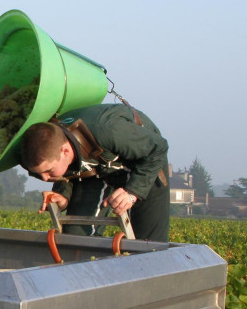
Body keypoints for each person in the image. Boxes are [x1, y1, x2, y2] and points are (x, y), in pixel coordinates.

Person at [19, 102, 170, 242]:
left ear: (65, 151)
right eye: (39, 174)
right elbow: (71, 168)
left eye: (48, 171)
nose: (45, 179)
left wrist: (132, 192)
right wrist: (63, 196)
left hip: (145, 162)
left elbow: (159, 147)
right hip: (98, 168)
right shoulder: (55, 141)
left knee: (149, 244)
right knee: (76, 236)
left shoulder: (110, 131)